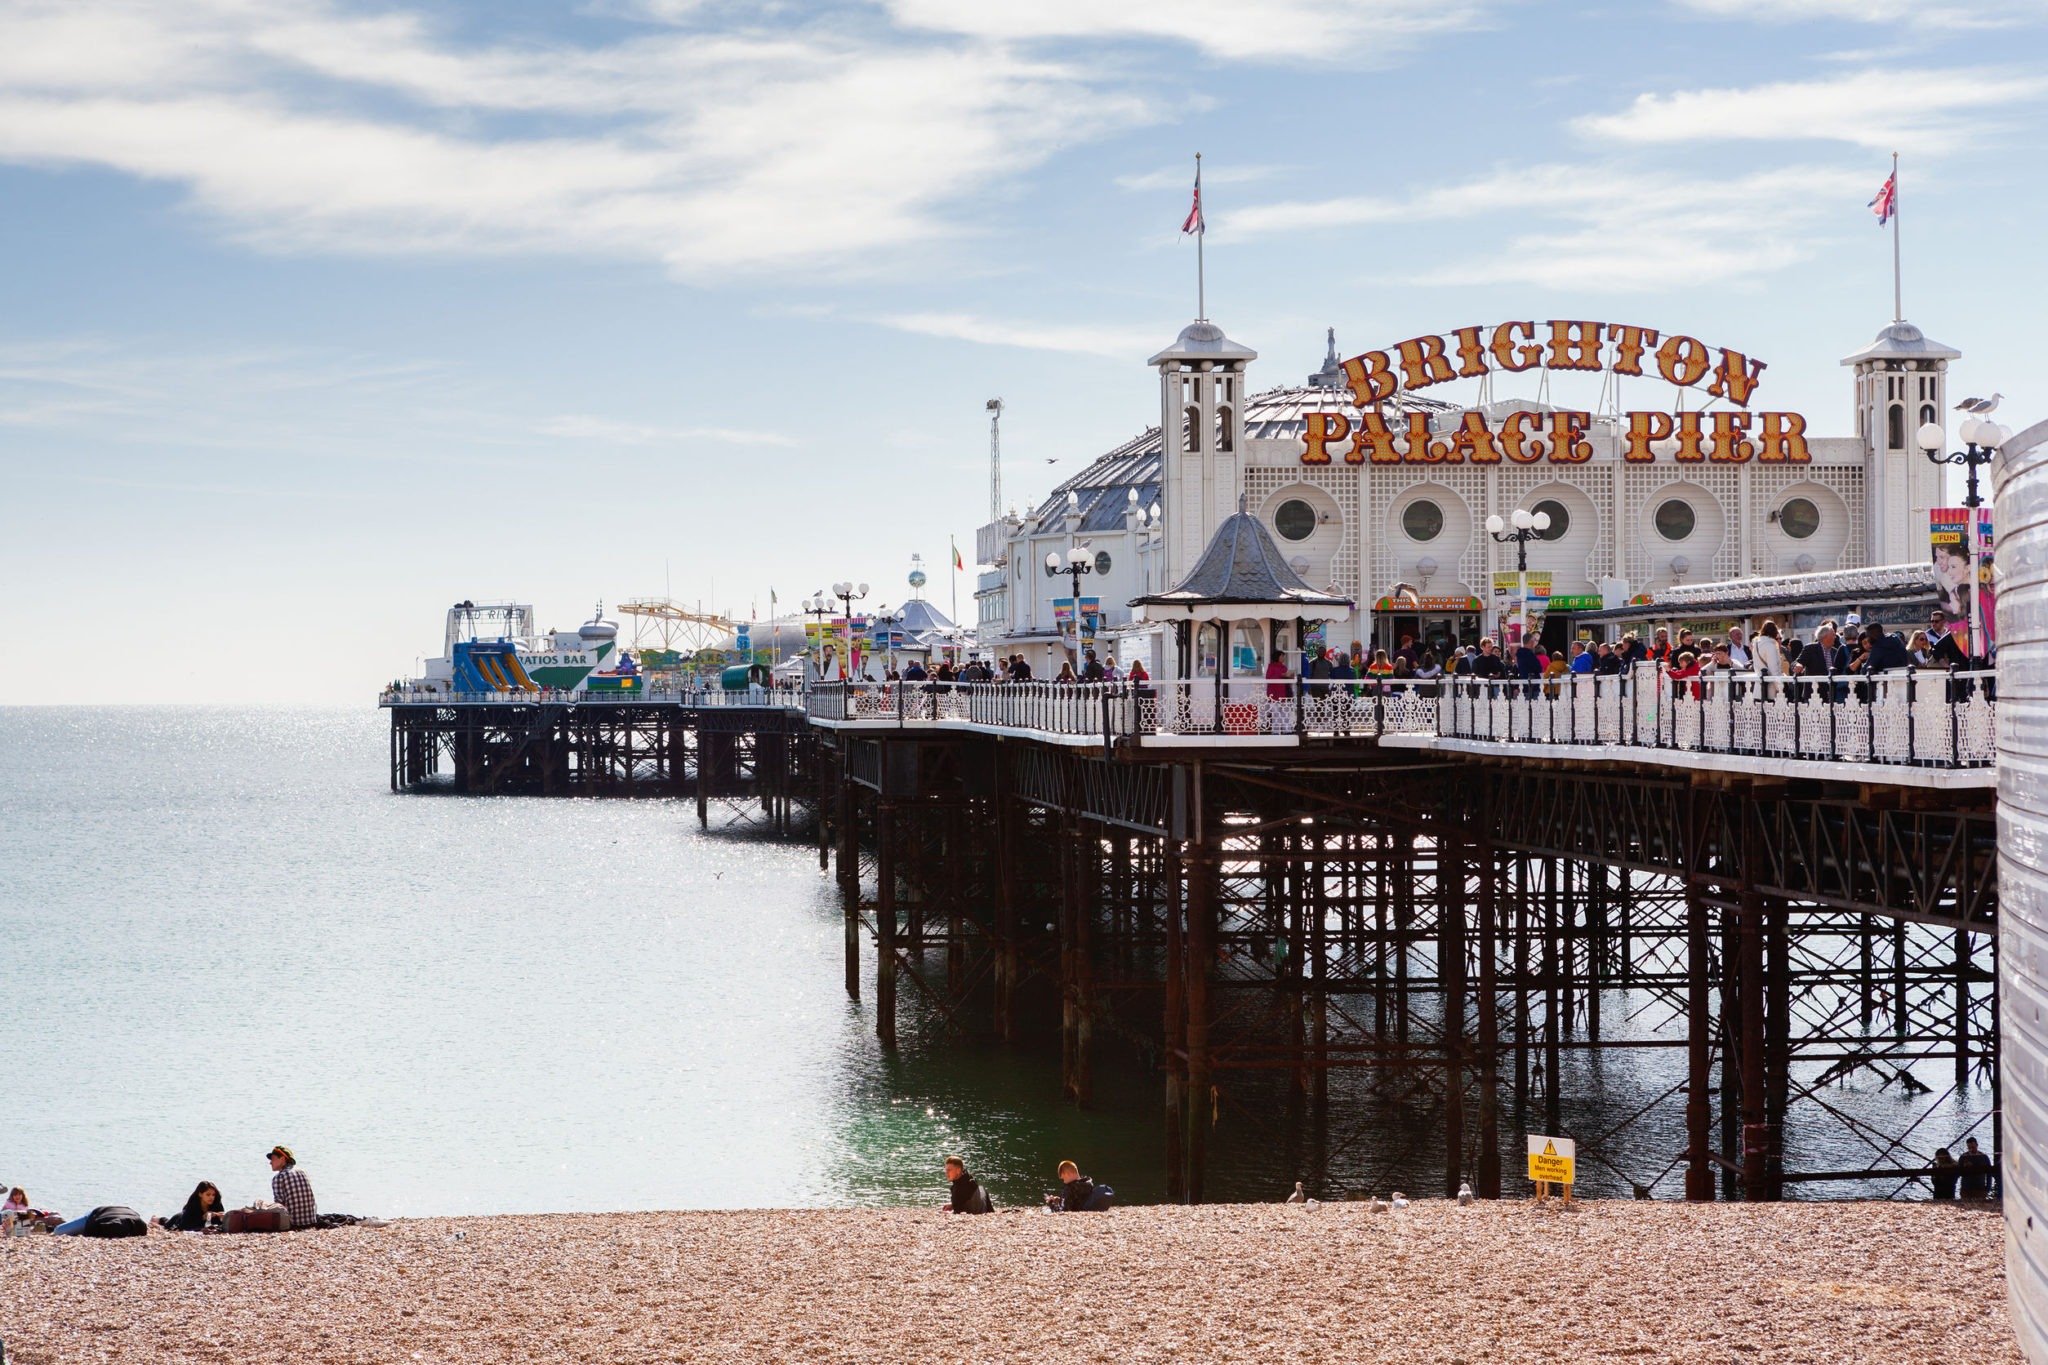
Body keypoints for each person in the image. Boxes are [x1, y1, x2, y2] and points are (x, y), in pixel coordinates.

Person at [268, 1145, 318, 1230]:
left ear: (282, 1159)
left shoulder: (279, 1177)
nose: (270, 1162)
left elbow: (279, 1206)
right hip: (311, 1221)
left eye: (273, 1159)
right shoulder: (302, 1171)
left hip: (293, 1223)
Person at [1044, 1161, 1113, 1212]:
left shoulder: (1069, 1188)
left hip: (1081, 1209)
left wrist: (1051, 1202)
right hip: (1087, 1207)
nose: (1064, 1182)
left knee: (1045, 1211)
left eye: (1063, 1178)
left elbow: (1062, 1212)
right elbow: (1079, 1200)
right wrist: (1060, 1200)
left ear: (1067, 1174)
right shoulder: (1087, 1184)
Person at [157, 1181, 226, 1232]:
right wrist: (202, 1218)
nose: (211, 1197)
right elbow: (184, 1226)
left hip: (193, 1223)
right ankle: (156, 1218)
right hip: (180, 1218)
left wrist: (222, 1217)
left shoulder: (217, 1203)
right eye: (208, 1195)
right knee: (166, 1224)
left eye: (213, 1195)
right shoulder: (193, 1205)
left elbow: (221, 1224)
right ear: (200, 1194)